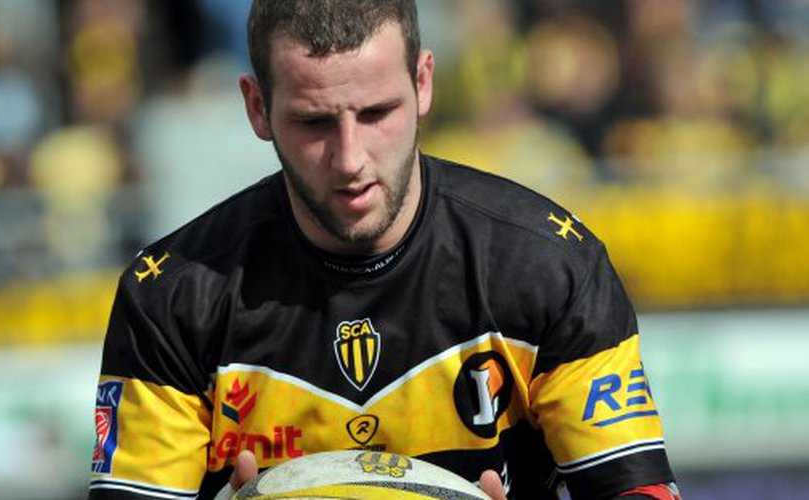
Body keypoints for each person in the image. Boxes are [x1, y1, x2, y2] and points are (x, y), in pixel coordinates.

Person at [88, 1, 679, 499]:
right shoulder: (174, 298)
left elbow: (637, 491)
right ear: (257, 107)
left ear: (423, 83)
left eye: (376, 113)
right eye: (315, 122)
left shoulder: (549, 267)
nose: (350, 159)